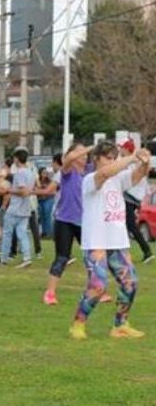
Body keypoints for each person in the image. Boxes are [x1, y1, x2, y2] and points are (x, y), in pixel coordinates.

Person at [69, 141, 150, 340]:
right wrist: (131, 157)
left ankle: (120, 325)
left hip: (117, 240)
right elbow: (105, 174)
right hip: (96, 241)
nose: (112, 161)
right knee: (98, 286)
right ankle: (78, 324)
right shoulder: (90, 179)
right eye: (108, 157)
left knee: (130, 283)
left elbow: (138, 175)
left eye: (114, 157)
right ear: (96, 159)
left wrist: (145, 162)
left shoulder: (119, 179)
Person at [43, 144, 91, 305]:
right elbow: (68, 160)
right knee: (62, 257)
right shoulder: (68, 172)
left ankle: (97, 289)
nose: (84, 155)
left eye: (85, 153)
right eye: (79, 152)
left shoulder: (90, 172)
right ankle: (50, 293)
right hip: (64, 220)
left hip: (84, 221)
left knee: (92, 256)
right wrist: (86, 149)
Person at [118, 139, 154, 264]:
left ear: (127, 149)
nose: (120, 149)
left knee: (130, 225)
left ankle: (147, 251)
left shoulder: (133, 163)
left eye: (122, 147)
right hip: (132, 199)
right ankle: (143, 251)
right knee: (126, 225)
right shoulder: (131, 162)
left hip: (129, 198)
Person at [0, 148, 35, 268]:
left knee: (7, 232)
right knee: (22, 233)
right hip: (25, 208)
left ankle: (4, 257)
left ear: (17, 159)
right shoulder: (30, 172)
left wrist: (8, 190)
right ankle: (27, 256)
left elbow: (23, 191)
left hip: (15, 208)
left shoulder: (20, 173)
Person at [35, 167, 57, 239]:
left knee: (47, 215)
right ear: (40, 174)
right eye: (43, 173)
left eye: (46, 173)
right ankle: (44, 232)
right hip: (40, 200)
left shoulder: (50, 181)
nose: (45, 174)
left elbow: (52, 190)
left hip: (48, 199)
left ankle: (49, 232)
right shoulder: (38, 181)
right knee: (42, 216)